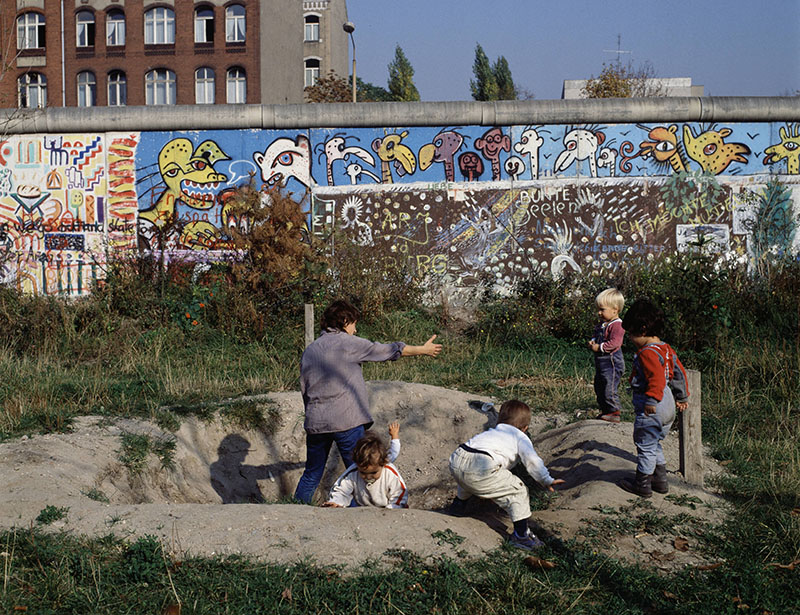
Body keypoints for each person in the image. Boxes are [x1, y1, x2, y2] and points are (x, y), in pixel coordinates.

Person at [293, 299, 441, 504]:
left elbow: (305, 389)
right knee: (359, 472)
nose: (355, 329)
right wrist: (421, 350)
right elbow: (385, 350)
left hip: (316, 423)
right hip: (347, 421)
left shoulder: (310, 350)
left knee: (311, 474)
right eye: (353, 323)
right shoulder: (349, 344)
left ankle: (295, 512)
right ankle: (357, 519)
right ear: (344, 321)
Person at [448, 400, 565, 551]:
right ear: (525, 428)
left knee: (467, 476)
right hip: (481, 465)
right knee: (518, 490)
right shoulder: (520, 437)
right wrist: (546, 479)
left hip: (458, 457)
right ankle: (521, 536)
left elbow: (470, 465)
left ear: (499, 421)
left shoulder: (491, 432)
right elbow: (533, 462)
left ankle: (458, 506)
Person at [619, 299, 690, 497]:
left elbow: (656, 379)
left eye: (631, 334)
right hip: (667, 404)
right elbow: (679, 372)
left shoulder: (646, 353)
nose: (630, 339)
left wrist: (651, 401)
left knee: (645, 445)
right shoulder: (665, 348)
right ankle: (660, 481)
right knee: (654, 443)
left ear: (642, 330)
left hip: (653, 404)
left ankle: (642, 484)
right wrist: (682, 396)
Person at [323, 429, 408, 508]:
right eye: (363, 473)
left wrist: (393, 508)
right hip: (365, 510)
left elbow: (399, 493)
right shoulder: (353, 472)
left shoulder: (389, 473)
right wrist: (336, 502)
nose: (368, 477)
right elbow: (342, 490)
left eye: (373, 473)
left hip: (388, 508)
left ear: (383, 464)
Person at [587, 288, 626, 422]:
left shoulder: (618, 325)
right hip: (601, 363)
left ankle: (614, 411)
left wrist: (600, 347)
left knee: (609, 386)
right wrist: (592, 341)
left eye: (602, 309)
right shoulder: (602, 325)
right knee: (600, 386)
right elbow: (596, 335)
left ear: (615, 310)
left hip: (612, 363)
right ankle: (605, 410)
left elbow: (615, 343)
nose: (599, 312)